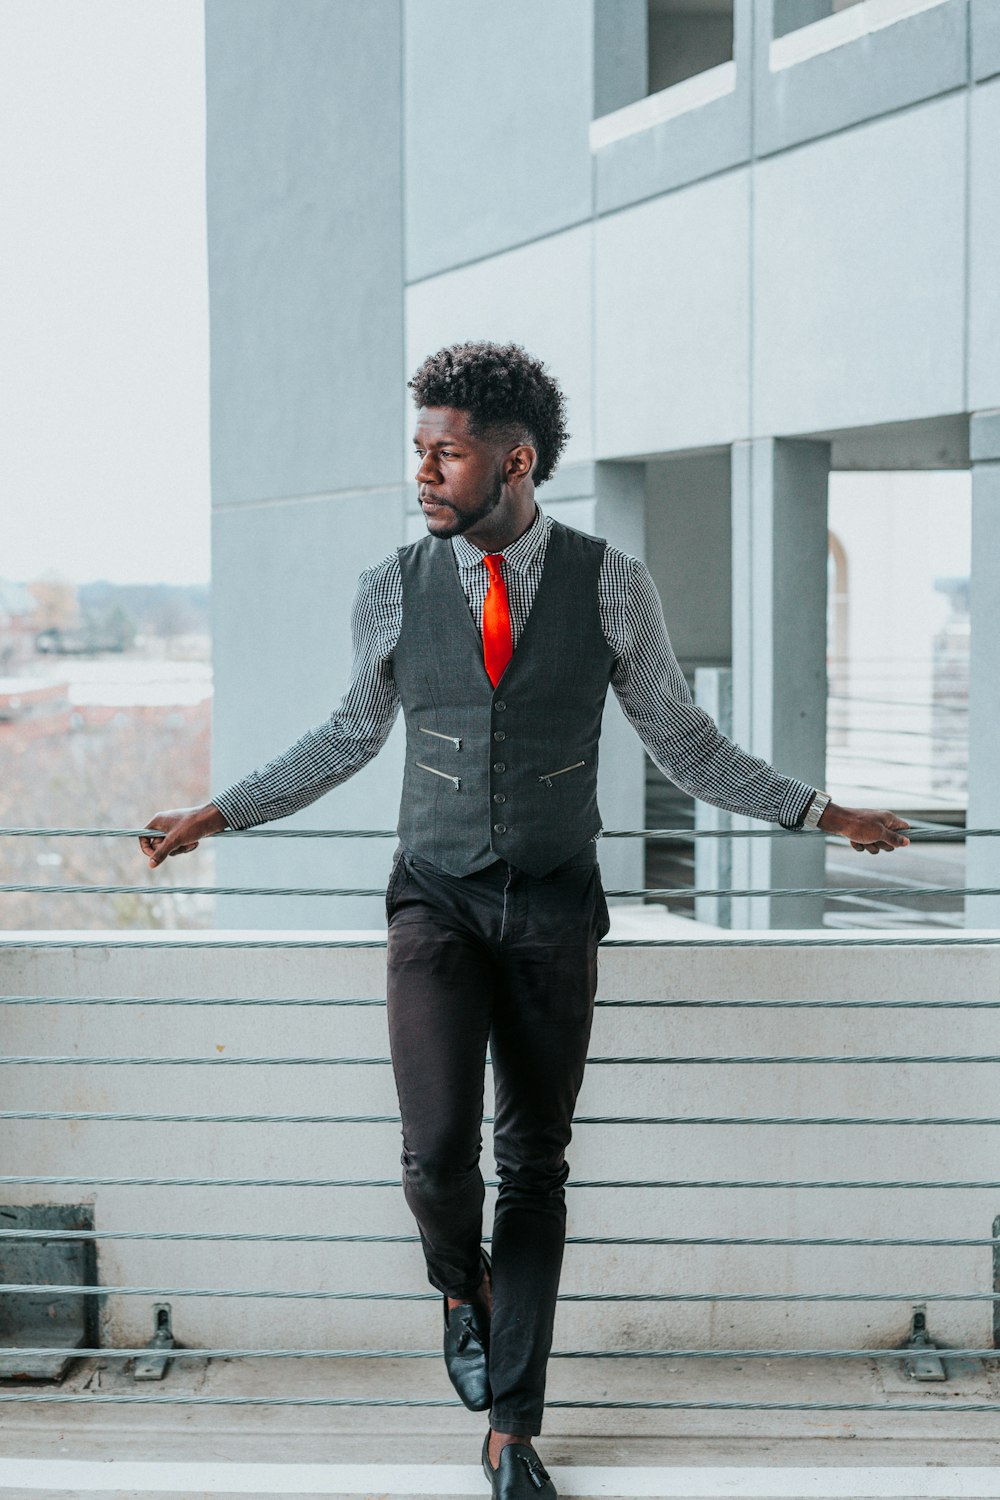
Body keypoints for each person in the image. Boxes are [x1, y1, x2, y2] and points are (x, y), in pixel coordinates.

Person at [140, 340, 910, 1499]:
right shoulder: (391, 587)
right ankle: (462, 1282)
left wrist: (823, 812)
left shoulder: (611, 584)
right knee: (434, 1158)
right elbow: (348, 737)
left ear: (516, 460)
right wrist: (215, 814)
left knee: (535, 1165)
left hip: (554, 905)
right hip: (436, 900)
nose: (424, 473)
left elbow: (686, 746)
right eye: (419, 452)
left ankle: (512, 1424)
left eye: (444, 455)